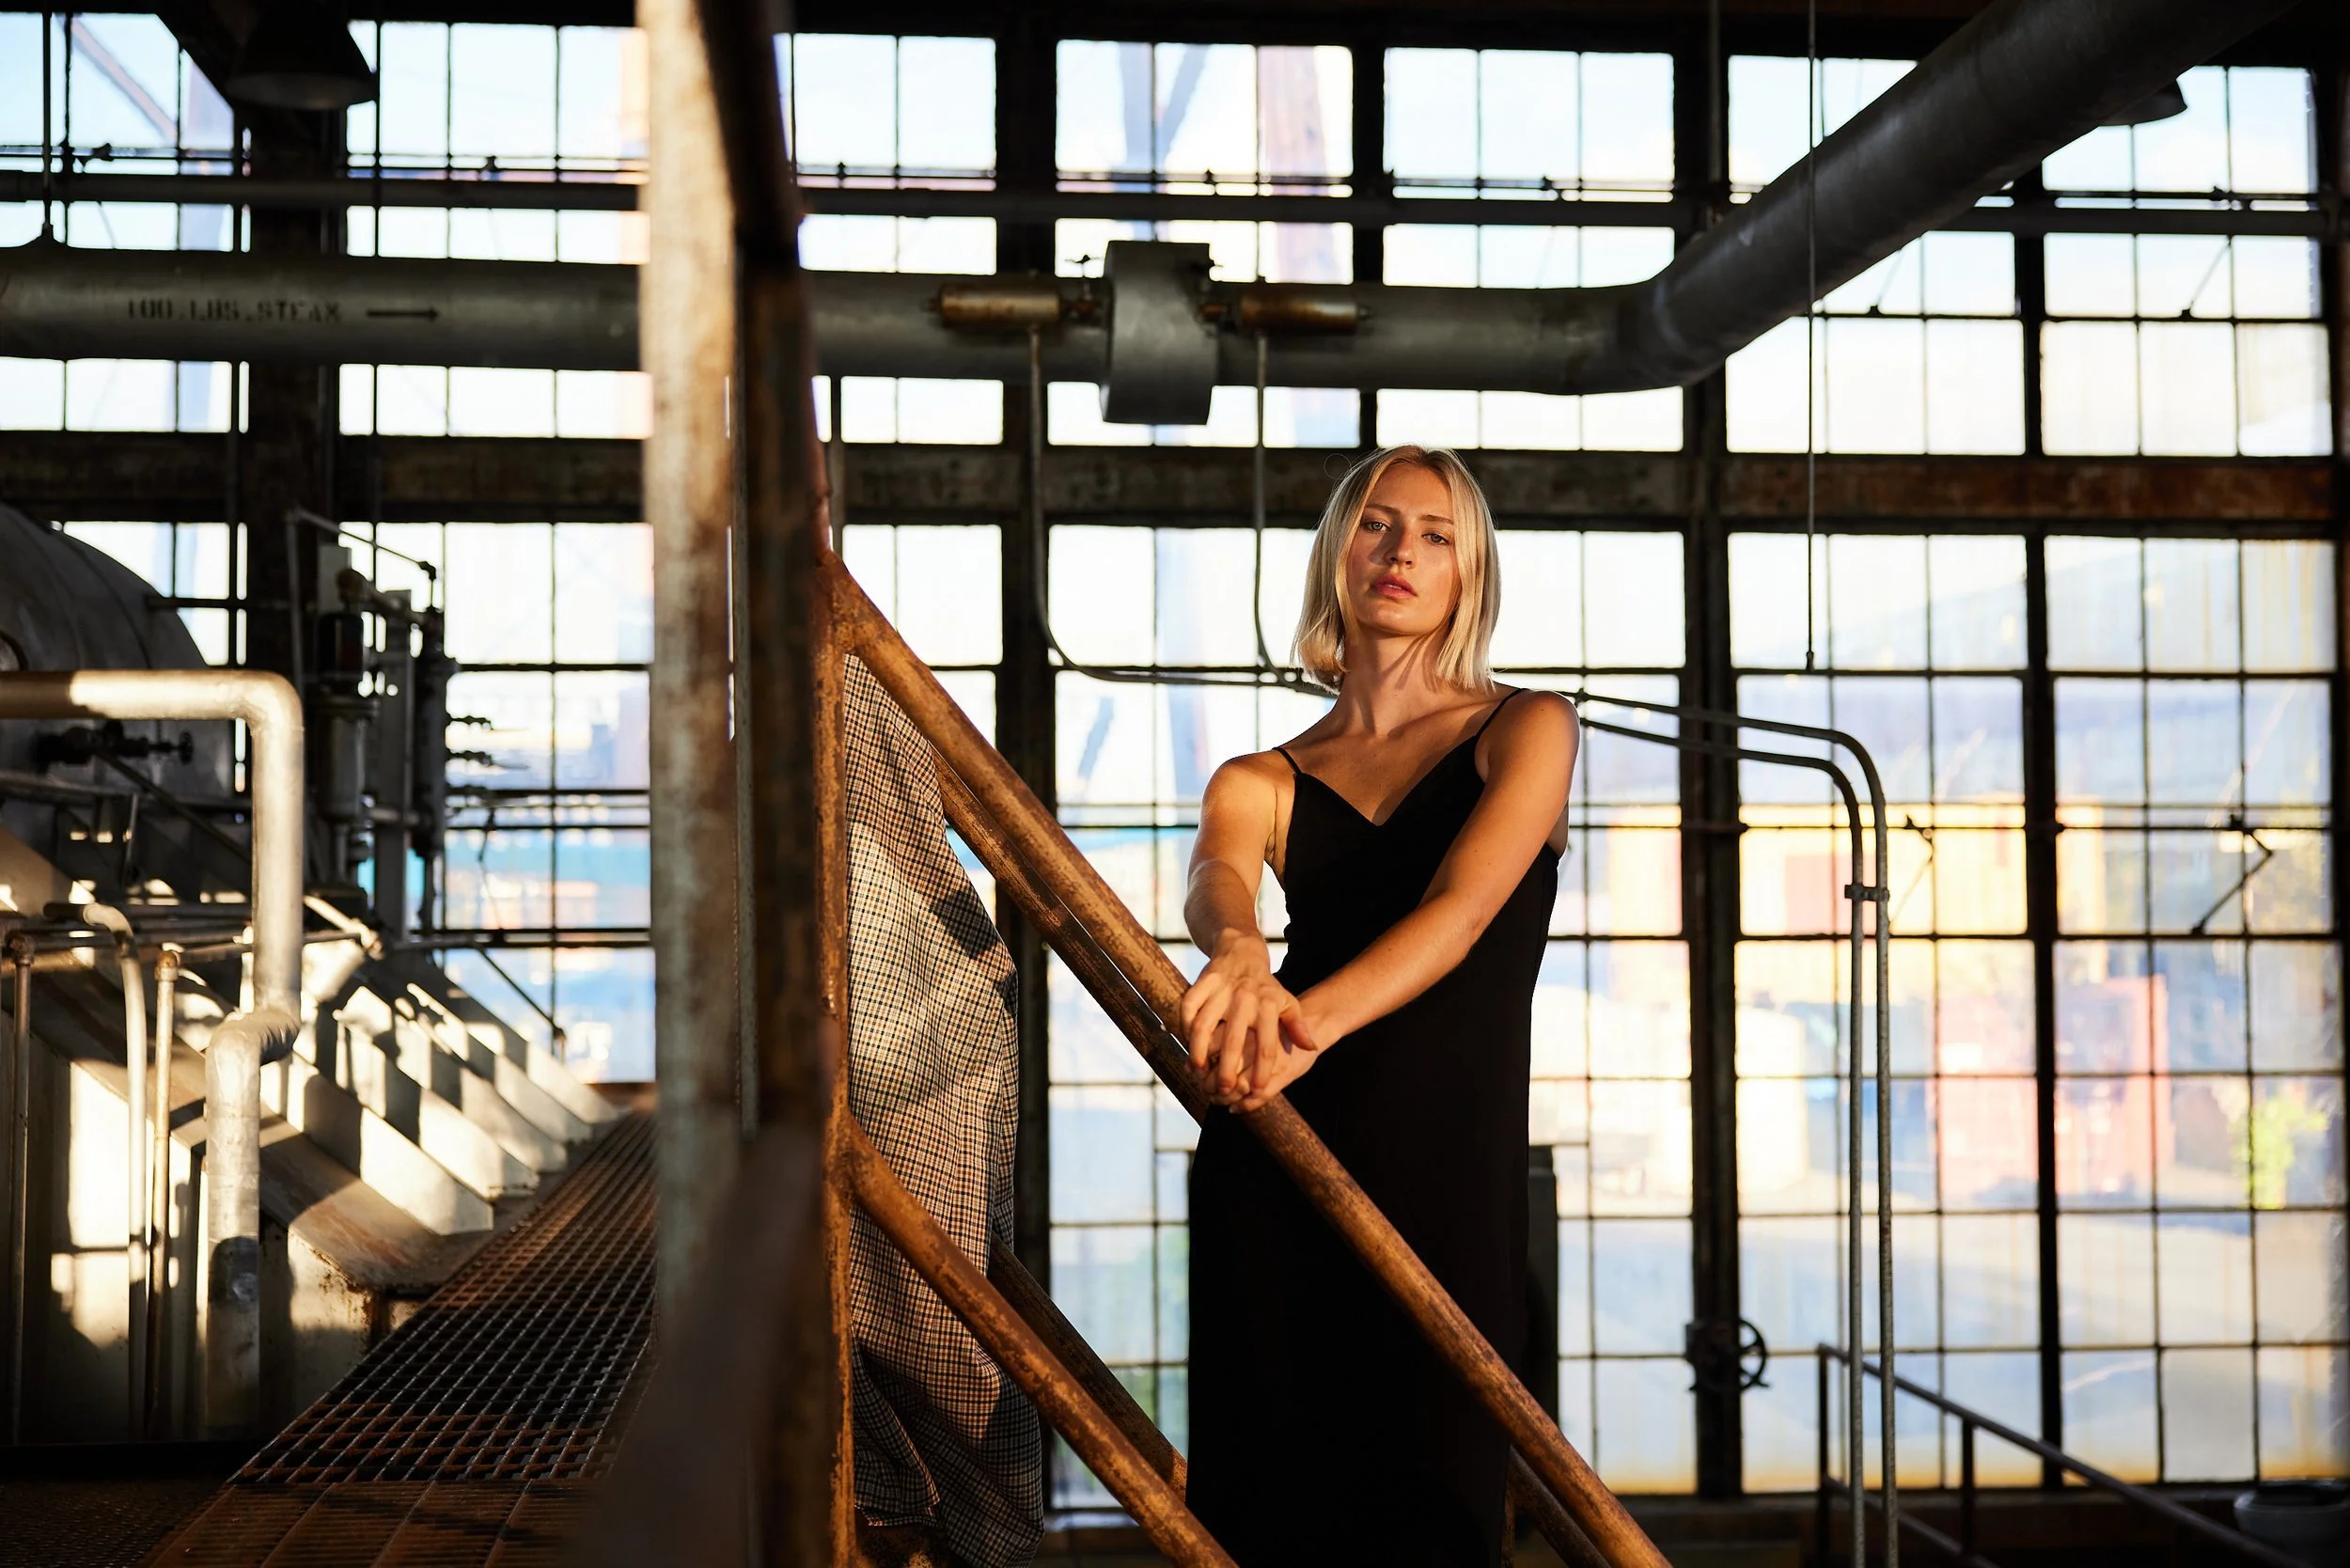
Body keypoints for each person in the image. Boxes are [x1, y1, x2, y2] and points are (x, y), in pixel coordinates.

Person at [1181, 445, 1578, 1565]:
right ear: (1337, 554)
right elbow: (1213, 876)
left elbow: (1457, 916)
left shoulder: (1526, 728)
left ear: (1468, 578)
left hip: (1442, 1177)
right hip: (1277, 1154)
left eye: (1435, 535)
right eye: (1377, 525)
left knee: (1437, 1506)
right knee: (1269, 1506)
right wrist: (1243, 945)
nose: (1401, 551)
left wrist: (1300, 1023)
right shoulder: (1261, 777)